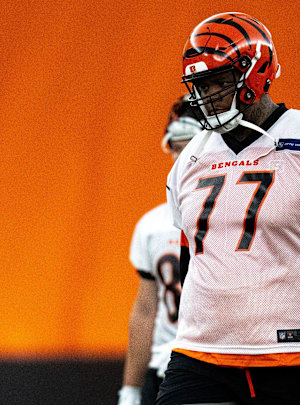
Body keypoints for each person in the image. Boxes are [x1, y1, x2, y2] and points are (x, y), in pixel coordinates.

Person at [156, 12, 300, 405]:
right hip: (200, 353)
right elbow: (190, 258)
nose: (206, 94)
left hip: (296, 353)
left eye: (217, 81)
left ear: (254, 73)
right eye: (200, 84)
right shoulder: (190, 159)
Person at [118, 95, 204, 405]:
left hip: (221, 364)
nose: (182, 159)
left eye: (191, 146)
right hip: (167, 369)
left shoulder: (234, 215)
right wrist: (130, 388)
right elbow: (145, 309)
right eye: (177, 148)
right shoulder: (152, 225)